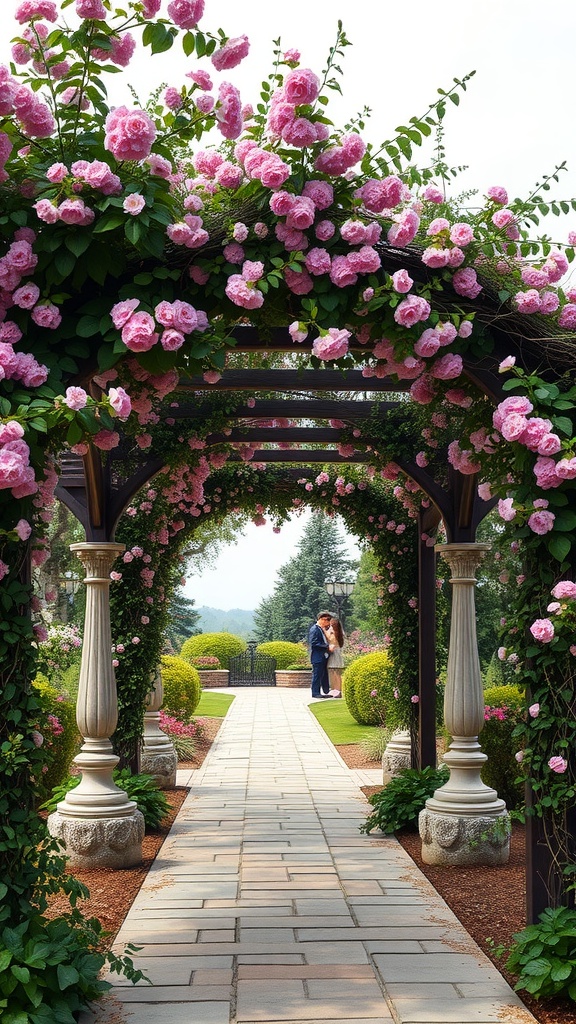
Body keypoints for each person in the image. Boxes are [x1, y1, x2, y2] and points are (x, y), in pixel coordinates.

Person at [308, 611, 333, 698]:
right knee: (317, 675)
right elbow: (314, 643)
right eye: (327, 620)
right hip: (317, 657)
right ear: (321, 619)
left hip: (321, 656)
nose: (328, 622)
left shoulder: (320, 629)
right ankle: (315, 693)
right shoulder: (315, 629)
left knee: (321, 675)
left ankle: (324, 691)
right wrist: (327, 646)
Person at [325, 617, 344, 697]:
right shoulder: (337, 633)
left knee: (335, 673)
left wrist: (324, 630)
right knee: (334, 672)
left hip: (335, 654)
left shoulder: (334, 633)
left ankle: (338, 690)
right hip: (336, 654)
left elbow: (329, 639)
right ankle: (335, 690)